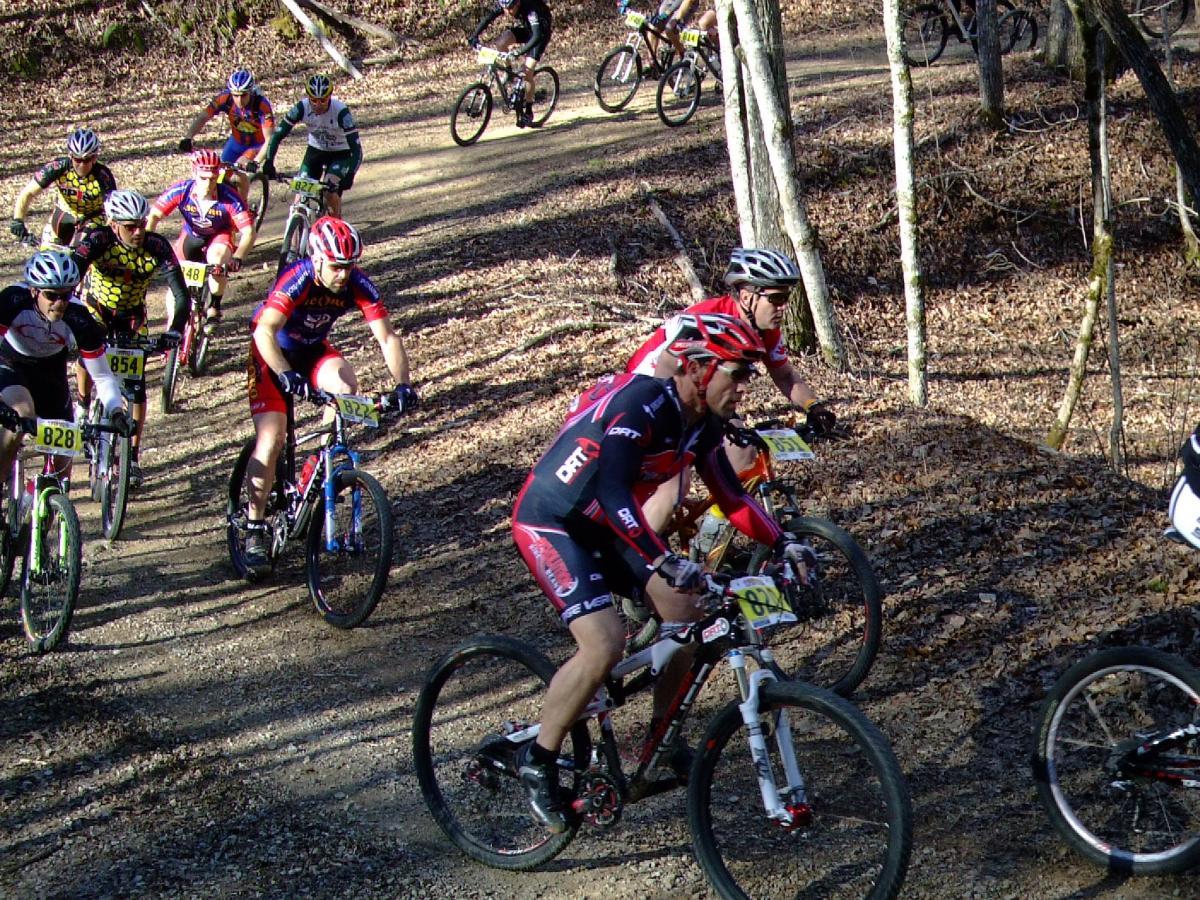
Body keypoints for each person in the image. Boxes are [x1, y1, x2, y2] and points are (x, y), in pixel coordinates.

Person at [511, 313, 812, 833]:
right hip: (552, 520)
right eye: (737, 374)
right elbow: (610, 490)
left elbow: (732, 497)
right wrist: (662, 559)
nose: (743, 387)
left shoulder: (703, 421)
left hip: (605, 525)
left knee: (693, 616)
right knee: (604, 642)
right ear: (699, 370)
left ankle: (660, 740)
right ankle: (537, 761)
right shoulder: (642, 404)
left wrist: (784, 542)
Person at [242, 216, 418, 572]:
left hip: (311, 349)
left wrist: (403, 384)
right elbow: (265, 331)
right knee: (272, 439)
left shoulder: (357, 283)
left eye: (350, 266)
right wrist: (286, 375)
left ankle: (316, 464)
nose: (343, 274)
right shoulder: (298, 278)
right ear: (318, 258)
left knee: (345, 388)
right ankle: (254, 527)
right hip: (270, 352)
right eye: (337, 267)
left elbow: (387, 337)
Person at [626, 248, 837, 533]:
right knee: (677, 481)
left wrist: (814, 406)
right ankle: (644, 560)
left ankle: (714, 539)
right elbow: (665, 374)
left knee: (743, 457)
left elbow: (785, 375)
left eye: (787, 299)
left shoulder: (764, 329)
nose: (784, 307)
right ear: (748, 297)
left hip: (700, 400)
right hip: (652, 392)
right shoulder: (706, 320)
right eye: (776, 299)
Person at [72, 190, 189, 489]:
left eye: (141, 224)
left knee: (136, 389)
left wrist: (174, 330)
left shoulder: (157, 246)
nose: (138, 232)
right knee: (87, 352)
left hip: (132, 316)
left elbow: (181, 294)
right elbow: (73, 272)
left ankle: (132, 457)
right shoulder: (99, 240)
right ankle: (83, 407)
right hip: (96, 308)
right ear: (114, 225)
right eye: (129, 226)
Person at [0, 251, 132, 486]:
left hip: (50, 373)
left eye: (66, 295)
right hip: (12, 363)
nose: (59, 303)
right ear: (34, 291)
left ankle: (50, 510)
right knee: (22, 412)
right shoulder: (12, 300)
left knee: (62, 468)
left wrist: (116, 412)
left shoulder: (79, 316)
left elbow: (101, 375)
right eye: (51, 295)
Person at [146, 149, 256, 327]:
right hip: (192, 235)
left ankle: (215, 305)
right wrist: (147, 243)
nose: (208, 184)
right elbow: (154, 216)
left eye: (212, 179)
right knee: (174, 284)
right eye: (203, 178)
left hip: (220, 235)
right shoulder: (182, 190)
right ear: (194, 173)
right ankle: (173, 330)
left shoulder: (230, 198)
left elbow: (249, 232)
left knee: (217, 261)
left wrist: (238, 257)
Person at [253, 74, 360, 219]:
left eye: (323, 100)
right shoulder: (301, 107)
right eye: (314, 100)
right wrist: (269, 161)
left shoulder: (341, 111)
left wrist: (350, 175)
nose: (318, 104)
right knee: (299, 196)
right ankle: (294, 236)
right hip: (315, 152)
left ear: (330, 97)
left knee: (329, 192)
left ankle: (336, 225)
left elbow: (357, 150)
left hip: (340, 153)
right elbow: (277, 135)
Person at [178, 69, 275, 201]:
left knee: (240, 169)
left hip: (256, 145)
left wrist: (257, 161)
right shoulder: (225, 99)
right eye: (235, 95)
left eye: (243, 95)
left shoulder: (261, 105)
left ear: (251, 92)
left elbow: (269, 139)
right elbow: (203, 117)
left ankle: (242, 208)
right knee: (218, 174)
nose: (239, 100)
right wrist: (188, 137)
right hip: (236, 143)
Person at [10, 128, 117, 248]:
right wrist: (18, 220)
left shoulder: (103, 175)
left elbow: (113, 210)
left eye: (86, 160)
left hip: (93, 217)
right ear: (70, 155)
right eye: (77, 159)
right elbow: (28, 193)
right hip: (64, 213)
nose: (81, 165)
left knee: (80, 251)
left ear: (94, 158)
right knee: (47, 253)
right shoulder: (57, 167)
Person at [468, 0, 552, 128]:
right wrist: (474, 36)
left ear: (518, 3)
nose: (507, 12)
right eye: (505, 8)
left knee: (527, 71)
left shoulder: (531, 9)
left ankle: (528, 111)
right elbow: (489, 17)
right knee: (501, 42)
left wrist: (519, 52)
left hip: (540, 34)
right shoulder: (508, 3)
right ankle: (509, 74)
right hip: (527, 29)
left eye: (510, 8)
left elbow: (536, 36)